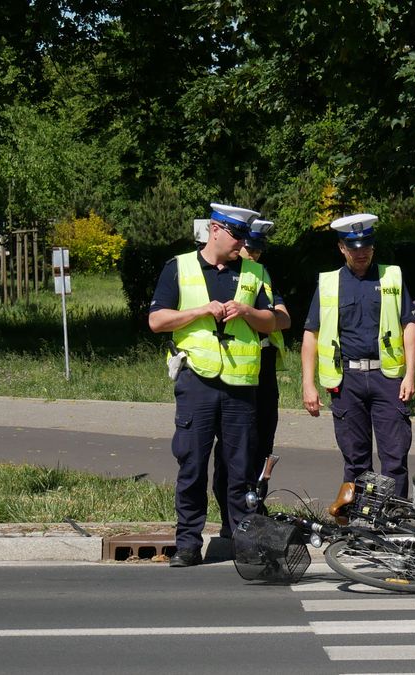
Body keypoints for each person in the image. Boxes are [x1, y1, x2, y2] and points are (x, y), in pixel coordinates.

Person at [148, 203, 279, 567]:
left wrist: (250, 313)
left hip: (240, 383)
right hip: (197, 382)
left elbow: (275, 321)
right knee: (192, 465)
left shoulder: (253, 272)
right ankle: (188, 543)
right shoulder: (180, 267)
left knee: (240, 470)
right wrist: (201, 311)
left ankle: (243, 543)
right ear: (215, 230)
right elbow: (157, 321)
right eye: (236, 235)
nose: (242, 243)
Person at [300, 213, 415, 498]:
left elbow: (409, 326)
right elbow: (311, 335)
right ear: (342, 248)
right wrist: (308, 383)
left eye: (366, 246)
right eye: (354, 247)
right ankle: (359, 521)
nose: (361, 252)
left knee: (394, 457)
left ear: (373, 246)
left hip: (387, 378)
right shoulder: (329, 283)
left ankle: (394, 519)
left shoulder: (392, 276)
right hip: (347, 380)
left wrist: (410, 374)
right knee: (355, 460)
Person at [211, 219, 290, 537]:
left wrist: (261, 315)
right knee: (233, 447)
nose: (254, 254)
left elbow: (283, 319)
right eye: (250, 248)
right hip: (233, 370)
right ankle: (230, 515)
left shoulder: (262, 276)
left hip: (264, 369)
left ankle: (255, 505)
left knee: (262, 443)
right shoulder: (223, 277)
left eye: (259, 249)